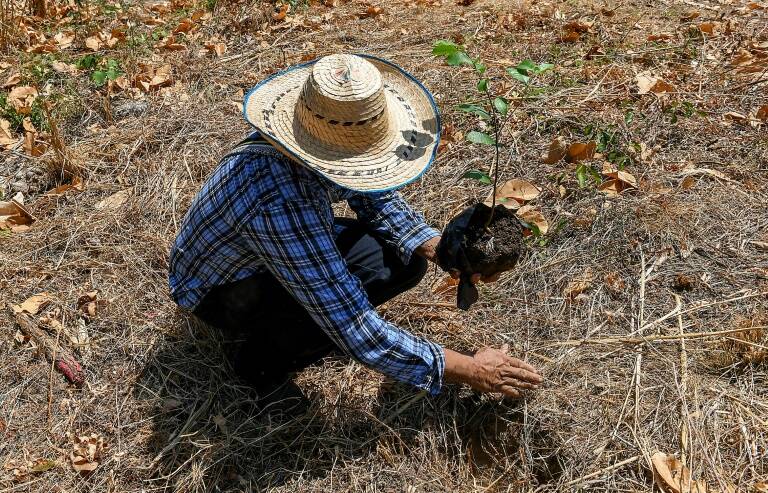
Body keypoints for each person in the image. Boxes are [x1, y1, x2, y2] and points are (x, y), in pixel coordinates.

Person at [168, 54, 542, 402]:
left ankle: (285, 326)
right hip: (219, 290)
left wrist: (432, 245)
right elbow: (354, 326)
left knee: (402, 260)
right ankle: (259, 365)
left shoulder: (315, 138)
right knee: (327, 312)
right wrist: (470, 369)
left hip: (262, 250)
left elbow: (369, 192)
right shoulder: (282, 204)